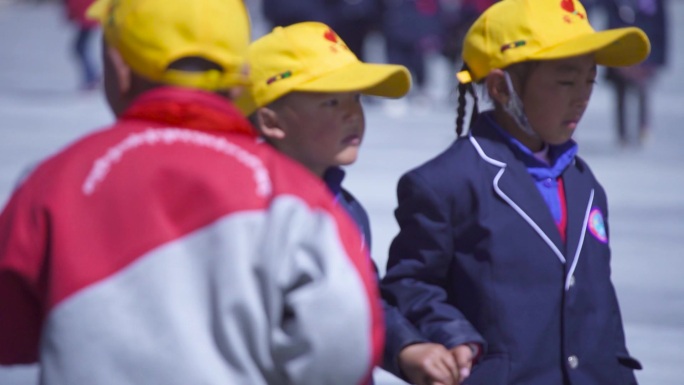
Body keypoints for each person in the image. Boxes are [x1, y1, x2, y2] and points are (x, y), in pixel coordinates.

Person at [0, 1, 384, 384]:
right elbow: (344, 349)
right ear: (241, 78)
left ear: (117, 67)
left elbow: (12, 338)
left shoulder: (54, 180)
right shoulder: (293, 194)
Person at [380, 0, 650, 384]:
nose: (582, 97)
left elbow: (598, 306)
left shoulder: (583, 182)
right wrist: (452, 336)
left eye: (590, 80)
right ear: (500, 87)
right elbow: (409, 287)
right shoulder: (446, 182)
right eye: (565, 80)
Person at [237, 21, 463, 385]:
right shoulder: (246, 214)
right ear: (270, 120)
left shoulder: (345, 207)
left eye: (356, 98)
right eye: (331, 101)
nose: (352, 114)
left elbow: (363, 302)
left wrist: (407, 348)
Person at [597, 0, 668, 146]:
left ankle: (643, 128)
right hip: (620, 48)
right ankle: (622, 133)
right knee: (621, 92)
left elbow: (662, 26)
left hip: (646, 50)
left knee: (643, 91)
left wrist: (658, 57)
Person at [63, 0, 101, 90]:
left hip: (87, 21)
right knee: (80, 48)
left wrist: (71, 16)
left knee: (79, 48)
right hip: (88, 19)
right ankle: (91, 76)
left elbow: (75, 5)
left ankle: (92, 77)